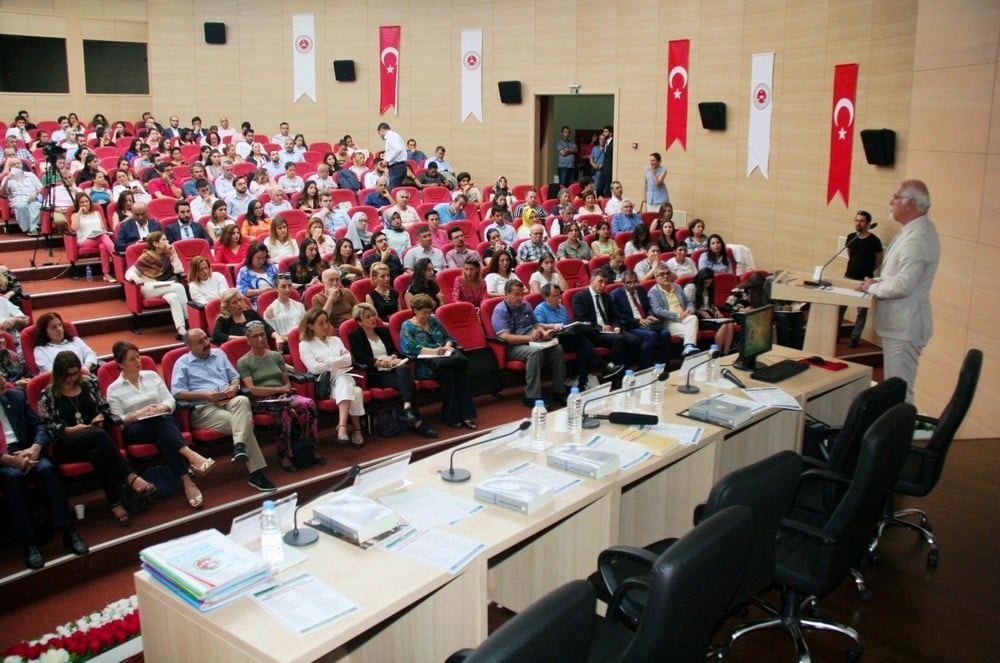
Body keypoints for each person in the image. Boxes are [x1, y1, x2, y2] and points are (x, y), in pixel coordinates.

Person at [39, 351, 156, 526]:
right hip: (67, 444)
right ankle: (130, 476)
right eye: (68, 375)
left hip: (95, 441)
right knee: (99, 436)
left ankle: (115, 504)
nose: (72, 378)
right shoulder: (48, 394)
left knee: (97, 453)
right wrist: (71, 430)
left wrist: (100, 416)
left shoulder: (89, 383)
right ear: (59, 374)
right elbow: (49, 426)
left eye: (75, 373)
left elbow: (104, 407)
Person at [107, 342, 215, 510]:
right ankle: (191, 455)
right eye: (132, 359)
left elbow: (169, 399)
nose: (138, 361)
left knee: (163, 431)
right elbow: (119, 420)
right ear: (120, 364)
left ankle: (187, 482)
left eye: (138, 357)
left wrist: (162, 408)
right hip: (136, 429)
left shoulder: (151, 375)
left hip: (162, 421)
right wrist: (139, 414)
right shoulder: (114, 389)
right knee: (162, 425)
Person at [859, 180, 939, 403]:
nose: (890, 202)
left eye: (895, 197)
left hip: (905, 326)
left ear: (910, 203)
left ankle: (899, 436)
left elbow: (904, 285)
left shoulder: (918, 237)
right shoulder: (912, 230)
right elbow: (900, 274)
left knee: (900, 391)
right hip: (900, 325)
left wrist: (873, 288)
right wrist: (875, 281)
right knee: (895, 388)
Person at [171, 329, 276, 492]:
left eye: (206, 338)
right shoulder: (182, 363)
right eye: (200, 342)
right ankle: (256, 472)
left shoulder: (219, 354)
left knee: (242, 399)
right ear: (189, 346)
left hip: (228, 400)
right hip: (204, 408)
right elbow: (177, 393)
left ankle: (240, 447)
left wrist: (234, 387)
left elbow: (235, 378)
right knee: (244, 423)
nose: (206, 343)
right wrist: (205, 395)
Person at [1, 377, 89, 569]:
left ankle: (69, 531)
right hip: (3, 460)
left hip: (28, 450)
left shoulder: (15, 397)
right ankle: (30, 543)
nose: (2, 382)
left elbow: (40, 426)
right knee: (13, 478)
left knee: (47, 470)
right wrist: (8, 459)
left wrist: (36, 447)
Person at [237, 321, 323, 472]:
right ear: (248, 340)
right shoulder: (244, 361)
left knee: (308, 404)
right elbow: (252, 389)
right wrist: (278, 390)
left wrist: (284, 392)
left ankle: (311, 447)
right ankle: (284, 454)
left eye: (262, 335)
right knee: (284, 412)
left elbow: (286, 382)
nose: (260, 339)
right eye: (255, 336)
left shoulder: (276, 356)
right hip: (262, 400)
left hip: (283, 396)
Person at [348, 303, 437, 438]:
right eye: (367, 317)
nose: (372, 319)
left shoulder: (383, 331)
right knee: (409, 381)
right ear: (359, 322)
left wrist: (394, 357)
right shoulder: (355, 336)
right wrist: (386, 363)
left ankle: (408, 408)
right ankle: (417, 422)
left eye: (373, 315)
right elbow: (363, 360)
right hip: (377, 374)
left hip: (395, 370)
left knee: (404, 370)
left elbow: (393, 350)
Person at [400, 294, 478, 428]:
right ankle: (454, 415)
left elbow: (449, 337)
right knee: (450, 371)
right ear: (415, 310)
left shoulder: (434, 320)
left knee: (460, 372)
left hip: (445, 358)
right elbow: (409, 347)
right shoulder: (407, 326)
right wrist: (435, 351)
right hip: (426, 364)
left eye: (429, 312)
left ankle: (464, 415)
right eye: (424, 312)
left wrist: (447, 347)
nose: (427, 316)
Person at [296, 307, 366, 447]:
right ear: (311, 326)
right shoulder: (305, 345)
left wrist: (326, 362)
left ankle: (342, 427)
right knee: (355, 391)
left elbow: (348, 360)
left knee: (344, 380)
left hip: (342, 378)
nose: (325, 326)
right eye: (320, 323)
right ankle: (356, 429)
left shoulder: (336, 340)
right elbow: (314, 368)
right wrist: (336, 361)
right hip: (325, 385)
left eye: (326, 322)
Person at [491, 281, 566, 407]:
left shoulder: (526, 305)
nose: (520, 298)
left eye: (522, 294)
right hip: (512, 346)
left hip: (532, 340)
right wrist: (529, 338)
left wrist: (544, 333)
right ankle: (531, 396)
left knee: (557, 348)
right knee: (534, 353)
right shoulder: (500, 311)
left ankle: (559, 391)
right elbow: (505, 337)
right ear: (506, 294)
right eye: (516, 295)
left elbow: (536, 324)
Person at [533, 283, 621, 391]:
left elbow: (567, 325)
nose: (558, 298)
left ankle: (583, 381)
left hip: (567, 336)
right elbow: (538, 324)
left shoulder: (561, 308)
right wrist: (553, 326)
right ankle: (602, 366)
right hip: (553, 339)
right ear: (546, 297)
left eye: (559, 295)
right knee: (581, 342)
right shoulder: (540, 309)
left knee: (582, 345)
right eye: (554, 296)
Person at [571, 270, 642, 379]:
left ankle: (625, 369)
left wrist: (617, 326)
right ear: (591, 280)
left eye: (605, 282)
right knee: (618, 339)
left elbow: (614, 316)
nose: (603, 285)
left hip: (610, 329)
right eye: (600, 281)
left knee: (635, 340)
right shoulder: (580, 297)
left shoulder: (606, 297)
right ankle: (616, 376)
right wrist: (600, 327)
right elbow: (582, 320)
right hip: (594, 332)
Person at [125, 232, 189, 339]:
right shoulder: (146, 257)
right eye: (164, 240)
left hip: (164, 285)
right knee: (179, 287)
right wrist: (136, 279)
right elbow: (129, 273)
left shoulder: (166, 255)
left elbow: (179, 270)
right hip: (148, 287)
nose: (167, 242)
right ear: (155, 243)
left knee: (174, 297)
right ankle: (190, 320)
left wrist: (174, 254)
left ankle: (181, 329)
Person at [611, 270, 672, 368]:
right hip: (631, 325)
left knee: (665, 333)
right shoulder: (616, 295)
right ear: (623, 283)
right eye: (628, 283)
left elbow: (648, 307)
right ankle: (645, 366)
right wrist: (638, 321)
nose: (632, 285)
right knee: (651, 335)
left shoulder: (640, 290)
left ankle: (662, 364)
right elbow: (618, 317)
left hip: (646, 321)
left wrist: (650, 314)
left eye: (635, 282)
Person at [842, 210, 883, 347]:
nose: (858, 223)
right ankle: (836, 334)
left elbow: (879, 260)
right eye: (856, 220)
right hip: (849, 276)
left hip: (865, 280)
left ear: (868, 223)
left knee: (861, 312)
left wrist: (869, 271)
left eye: (861, 221)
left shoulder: (874, 241)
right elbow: (850, 254)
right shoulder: (851, 237)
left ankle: (855, 337)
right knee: (841, 306)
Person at [648, 267, 700, 357]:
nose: (665, 276)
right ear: (656, 278)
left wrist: (690, 310)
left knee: (693, 318)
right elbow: (658, 311)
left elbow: (688, 302)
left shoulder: (677, 287)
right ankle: (690, 347)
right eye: (662, 274)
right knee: (691, 332)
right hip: (668, 321)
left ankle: (688, 347)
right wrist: (678, 315)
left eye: (667, 273)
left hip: (685, 317)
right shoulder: (653, 292)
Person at [685, 268, 735, 354]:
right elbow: (688, 305)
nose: (708, 285)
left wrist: (717, 311)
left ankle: (726, 351)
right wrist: (700, 312)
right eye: (706, 282)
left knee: (729, 324)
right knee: (723, 326)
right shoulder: (691, 287)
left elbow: (710, 304)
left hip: (708, 314)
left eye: (710, 282)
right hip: (696, 316)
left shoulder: (708, 287)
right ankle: (717, 352)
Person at [69, 192, 116, 282]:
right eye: (82, 202)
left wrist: (103, 233)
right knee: (103, 236)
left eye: (87, 201)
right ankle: (116, 256)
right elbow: (74, 228)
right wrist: (79, 213)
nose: (85, 204)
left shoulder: (97, 213)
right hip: (84, 240)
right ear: (78, 204)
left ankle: (106, 274)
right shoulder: (75, 215)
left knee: (103, 245)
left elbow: (103, 228)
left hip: (99, 237)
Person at [213, 287, 283, 347]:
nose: (239, 304)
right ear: (227, 306)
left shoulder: (251, 313)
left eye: (240, 300)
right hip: (238, 350)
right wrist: (242, 339)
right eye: (234, 302)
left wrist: (277, 336)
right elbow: (216, 335)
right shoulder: (223, 319)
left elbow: (266, 327)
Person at [33, 312, 99, 374]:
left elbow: (91, 354)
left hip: (84, 376)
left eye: (60, 325)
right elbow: (51, 371)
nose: (59, 329)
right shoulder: (40, 350)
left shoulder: (75, 340)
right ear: (45, 332)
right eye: (54, 327)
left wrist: (85, 367)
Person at [1, 157, 43, 234]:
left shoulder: (31, 175)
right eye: (14, 164)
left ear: (22, 165)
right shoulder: (7, 178)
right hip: (18, 200)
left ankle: (34, 229)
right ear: (10, 167)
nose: (17, 165)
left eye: (18, 163)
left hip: (32, 198)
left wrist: (35, 193)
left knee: (37, 205)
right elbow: (3, 193)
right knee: (21, 206)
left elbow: (40, 188)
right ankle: (27, 228)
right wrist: (7, 179)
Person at [236, 242, 278, 310]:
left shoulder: (270, 266)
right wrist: (260, 291)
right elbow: (241, 291)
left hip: (276, 299)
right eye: (258, 258)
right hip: (257, 304)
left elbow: (279, 280)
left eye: (263, 258)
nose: (261, 261)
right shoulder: (244, 271)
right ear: (251, 256)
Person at [263, 273, 307, 338]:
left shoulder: (300, 306)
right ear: (276, 288)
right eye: (283, 287)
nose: (287, 289)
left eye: (289, 286)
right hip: (285, 343)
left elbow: (306, 327)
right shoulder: (270, 310)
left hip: (303, 339)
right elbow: (273, 335)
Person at [378, 122, 407, 190]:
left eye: (379, 134)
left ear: (381, 130)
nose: (380, 136)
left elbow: (398, 149)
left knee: (393, 191)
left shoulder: (391, 135)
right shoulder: (393, 136)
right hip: (396, 167)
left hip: (397, 167)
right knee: (395, 191)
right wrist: (385, 161)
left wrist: (387, 160)